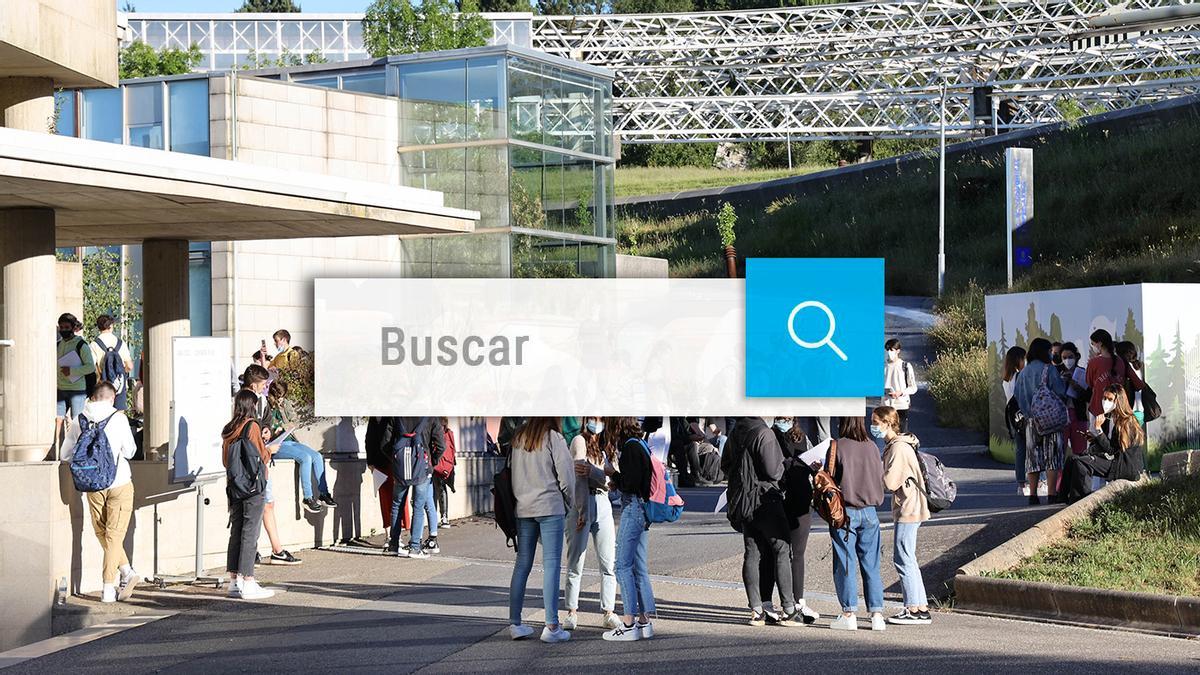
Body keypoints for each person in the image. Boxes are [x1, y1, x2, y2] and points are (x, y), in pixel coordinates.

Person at [61, 382, 140, 603]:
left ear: (93, 397)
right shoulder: (119, 418)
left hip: (93, 484)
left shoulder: (80, 420)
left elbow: (65, 454)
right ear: (112, 398)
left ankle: (127, 572)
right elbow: (130, 451)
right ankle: (108, 587)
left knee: (102, 532)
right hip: (120, 482)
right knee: (114, 535)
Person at [722, 416, 803, 627]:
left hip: (744, 500)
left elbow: (726, 464)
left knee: (752, 552)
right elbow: (772, 470)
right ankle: (789, 609)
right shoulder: (764, 433)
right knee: (782, 549)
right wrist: (786, 467)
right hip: (765, 498)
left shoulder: (736, 431)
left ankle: (757, 610)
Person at [507, 417, 574, 643]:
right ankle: (552, 625)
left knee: (522, 563)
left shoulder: (518, 437)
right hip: (549, 505)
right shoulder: (553, 437)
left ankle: (515, 623)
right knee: (552, 564)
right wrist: (570, 502)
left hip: (523, 507)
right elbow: (566, 475)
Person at [827, 416, 887, 632]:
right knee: (871, 564)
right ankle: (877, 614)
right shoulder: (871, 446)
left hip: (846, 512)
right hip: (871, 511)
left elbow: (830, 478)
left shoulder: (838, 445)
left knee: (846, 562)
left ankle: (849, 613)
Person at [874, 406, 932, 626]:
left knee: (903, 557)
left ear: (888, 423)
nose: (874, 427)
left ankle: (912, 608)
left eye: (876, 422)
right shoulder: (902, 444)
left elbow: (890, 482)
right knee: (909, 557)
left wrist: (874, 476)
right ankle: (919, 606)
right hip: (912, 504)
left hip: (908, 506)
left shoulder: (898, 448)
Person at [602, 417, 658, 641]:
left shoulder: (630, 447)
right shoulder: (640, 443)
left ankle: (628, 623)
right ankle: (644, 621)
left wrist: (611, 473)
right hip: (643, 508)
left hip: (633, 507)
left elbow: (631, 483)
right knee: (638, 566)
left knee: (622, 566)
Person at [563, 417, 621, 631]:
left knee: (608, 562)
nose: (597, 423)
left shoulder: (607, 445)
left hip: (603, 504)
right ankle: (571, 612)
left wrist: (595, 473)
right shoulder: (579, 441)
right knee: (575, 560)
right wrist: (582, 512)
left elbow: (613, 482)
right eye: (593, 419)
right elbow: (579, 477)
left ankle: (609, 611)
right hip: (582, 504)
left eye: (600, 419)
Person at [241, 366, 301, 566]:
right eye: (264, 384)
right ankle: (254, 550)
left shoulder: (262, 402)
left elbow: (263, 422)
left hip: (262, 459)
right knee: (255, 506)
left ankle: (276, 549)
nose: (266, 387)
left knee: (267, 503)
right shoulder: (244, 401)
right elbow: (247, 433)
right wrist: (265, 446)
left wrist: (266, 430)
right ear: (254, 383)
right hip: (252, 461)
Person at [222, 389, 275, 600]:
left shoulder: (229, 429)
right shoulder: (251, 425)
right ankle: (248, 581)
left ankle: (234, 581)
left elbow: (226, 461)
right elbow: (260, 455)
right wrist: (272, 449)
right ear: (251, 406)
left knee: (236, 531)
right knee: (250, 533)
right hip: (253, 486)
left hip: (235, 485)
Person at [770, 416, 821, 624]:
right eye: (781, 418)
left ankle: (797, 601)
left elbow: (812, 464)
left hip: (801, 500)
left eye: (788, 418)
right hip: (781, 500)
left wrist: (813, 465)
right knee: (780, 553)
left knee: (796, 554)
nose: (784, 421)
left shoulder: (801, 437)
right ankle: (786, 603)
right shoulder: (770, 437)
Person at [1059, 384, 1146, 503]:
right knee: (1072, 459)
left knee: (1082, 464)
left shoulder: (1126, 422)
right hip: (1114, 459)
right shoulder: (1110, 418)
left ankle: (1079, 502)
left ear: (1118, 401)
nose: (1106, 402)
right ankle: (1062, 498)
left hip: (1124, 465)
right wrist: (1095, 439)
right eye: (1104, 398)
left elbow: (1112, 450)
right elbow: (1110, 445)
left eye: (1110, 399)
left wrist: (1099, 431)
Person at [267, 381, 334, 514]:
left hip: (290, 439)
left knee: (317, 456)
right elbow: (265, 426)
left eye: (283, 396)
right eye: (279, 396)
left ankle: (323, 494)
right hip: (276, 444)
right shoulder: (266, 406)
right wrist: (274, 430)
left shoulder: (285, 403)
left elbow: (295, 421)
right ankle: (307, 498)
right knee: (305, 458)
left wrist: (284, 424)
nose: (281, 399)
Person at [1015, 338, 1068, 505]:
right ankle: (1052, 494)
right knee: (1053, 457)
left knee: (1033, 458)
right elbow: (1060, 392)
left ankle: (1033, 494)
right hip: (1050, 421)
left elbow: (1018, 396)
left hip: (1031, 422)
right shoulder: (1049, 369)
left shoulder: (1023, 373)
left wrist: (1028, 412)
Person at [383, 416, 444, 559]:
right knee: (418, 506)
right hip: (422, 469)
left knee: (397, 505)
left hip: (400, 469)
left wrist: (396, 461)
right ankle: (415, 547)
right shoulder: (430, 418)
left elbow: (385, 443)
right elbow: (441, 445)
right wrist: (431, 461)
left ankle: (393, 545)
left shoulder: (396, 416)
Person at [56, 312, 96, 449]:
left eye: (66, 327)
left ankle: (80, 449)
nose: (63, 330)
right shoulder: (58, 344)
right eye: (61, 327)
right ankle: (57, 450)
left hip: (77, 389)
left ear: (73, 327)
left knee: (77, 421)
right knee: (57, 419)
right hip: (61, 388)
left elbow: (90, 367)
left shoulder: (81, 345)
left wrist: (72, 371)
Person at [1085, 329, 1142, 425]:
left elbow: (1089, 382)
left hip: (1099, 408)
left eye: (1093, 344)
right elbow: (1139, 384)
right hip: (1118, 408)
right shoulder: (1121, 361)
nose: (1093, 347)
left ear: (1099, 343)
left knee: (1098, 437)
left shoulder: (1094, 362)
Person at [89, 315, 133, 411]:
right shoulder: (121, 343)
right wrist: (121, 373)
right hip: (119, 385)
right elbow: (129, 366)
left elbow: (91, 367)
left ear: (98, 327)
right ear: (111, 326)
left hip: (103, 385)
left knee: (101, 414)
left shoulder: (94, 344)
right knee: (119, 414)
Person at [1002, 346, 1028, 494]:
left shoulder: (1007, 378)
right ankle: (1036, 482)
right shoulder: (1020, 376)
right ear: (1019, 359)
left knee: (1020, 450)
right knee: (1031, 449)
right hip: (1024, 416)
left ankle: (1021, 484)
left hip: (1014, 418)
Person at [1060, 342, 1091, 457]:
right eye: (1064, 358)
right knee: (1060, 450)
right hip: (1061, 416)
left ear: (1076, 357)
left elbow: (1088, 396)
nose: (1067, 360)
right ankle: (1060, 475)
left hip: (1079, 415)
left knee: (1080, 450)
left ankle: (1079, 474)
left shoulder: (1082, 373)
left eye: (1070, 357)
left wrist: (1074, 384)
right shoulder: (1057, 372)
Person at [883, 339, 918, 432]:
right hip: (886, 405)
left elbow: (913, 387)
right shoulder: (882, 366)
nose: (889, 353)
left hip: (901, 405)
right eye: (887, 350)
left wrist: (901, 392)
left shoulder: (905, 366)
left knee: (902, 434)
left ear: (898, 351)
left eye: (891, 350)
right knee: (888, 435)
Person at [1115, 341, 1145, 425]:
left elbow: (1139, 385)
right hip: (1139, 409)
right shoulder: (1135, 366)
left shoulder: (1127, 367)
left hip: (1130, 409)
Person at [434, 417, 456, 530]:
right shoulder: (447, 432)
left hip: (440, 465)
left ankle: (443, 517)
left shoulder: (447, 433)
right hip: (441, 465)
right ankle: (442, 517)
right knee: (439, 489)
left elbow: (451, 450)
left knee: (439, 489)